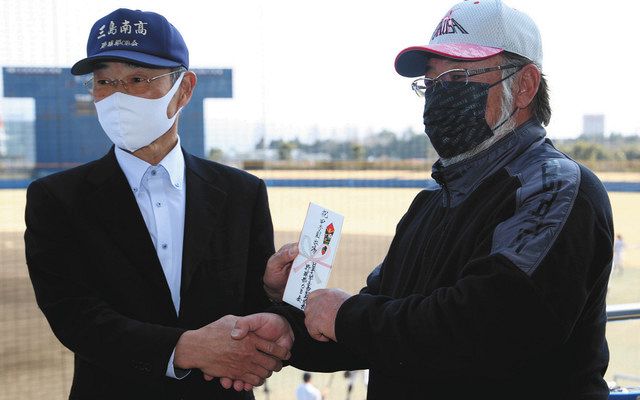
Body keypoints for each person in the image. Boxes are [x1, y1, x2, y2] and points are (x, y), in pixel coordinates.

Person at [232, 1, 615, 398]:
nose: (440, 94)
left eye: (459, 76)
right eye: (431, 83)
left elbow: (490, 328)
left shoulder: (554, 189)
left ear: (525, 86)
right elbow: (383, 330)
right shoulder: (432, 201)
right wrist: (289, 324)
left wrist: (345, 316)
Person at [24, 8, 293, 399]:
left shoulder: (242, 193)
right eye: (104, 82)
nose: (117, 96)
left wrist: (270, 290)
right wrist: (185, 348)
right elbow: (73, 314)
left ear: (183, 89)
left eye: (137, 80)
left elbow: (251, 308)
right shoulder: (57, 198)